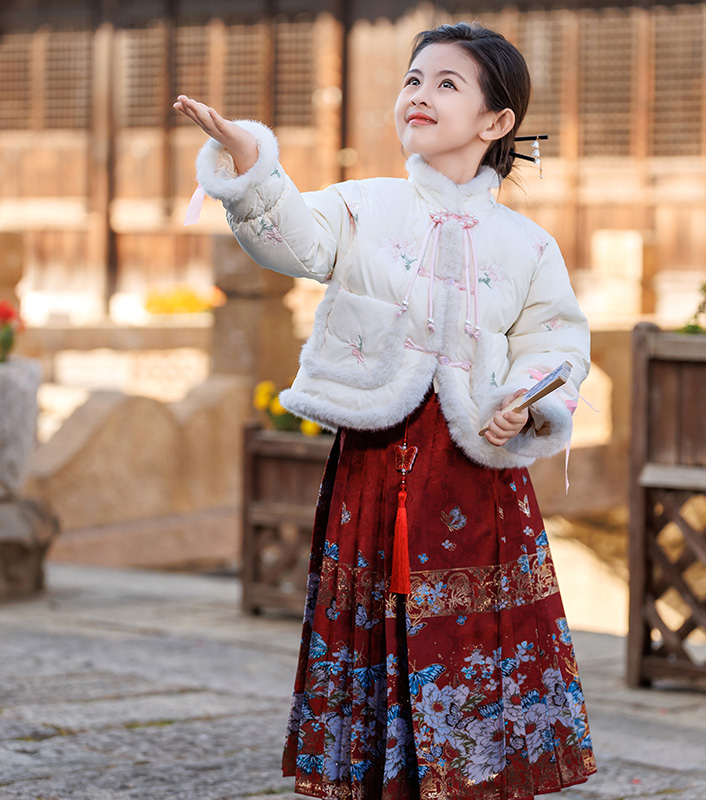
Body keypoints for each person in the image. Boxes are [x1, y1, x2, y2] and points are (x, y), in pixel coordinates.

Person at [175, 21, 595, 800]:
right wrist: (247, 160)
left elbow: (560, 341)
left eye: (446, 84)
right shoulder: (361, 206)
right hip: (379, 461)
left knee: (477, 629)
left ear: (496, 121)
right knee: (376, 616)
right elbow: (291, 242)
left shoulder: (528, 245)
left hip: (478, 472)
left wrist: (521, 401)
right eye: (413, 80)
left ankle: (473, 780)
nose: (420, 96)